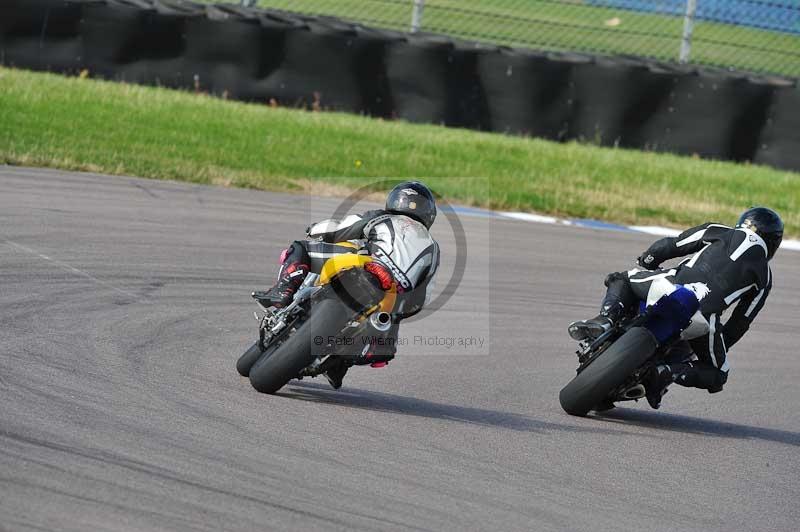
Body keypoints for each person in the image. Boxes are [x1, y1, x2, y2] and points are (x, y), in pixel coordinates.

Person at [568, 207, 783, 409]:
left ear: (741, 223)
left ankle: (606, 319)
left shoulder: (719, 230)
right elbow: (741, 321)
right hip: (704, 318)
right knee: (718, 374)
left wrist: (647, 261)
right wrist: (721, 345)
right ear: (773, 244)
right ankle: (668, 372)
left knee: (621, 278)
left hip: (669, 285)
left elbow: (672, 245)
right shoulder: (765, 277)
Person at [254, 181, 440, 389]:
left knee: (300, 249)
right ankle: (339, 362)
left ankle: (283, 291)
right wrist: (398, 313)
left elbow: (340, 228)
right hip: (394, 294)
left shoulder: (382, 217)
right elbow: (423, 296)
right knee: (382, 344)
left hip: (368, 266)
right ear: (429, 214)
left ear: (394, 201)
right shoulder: (433, 247)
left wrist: (315, 229)